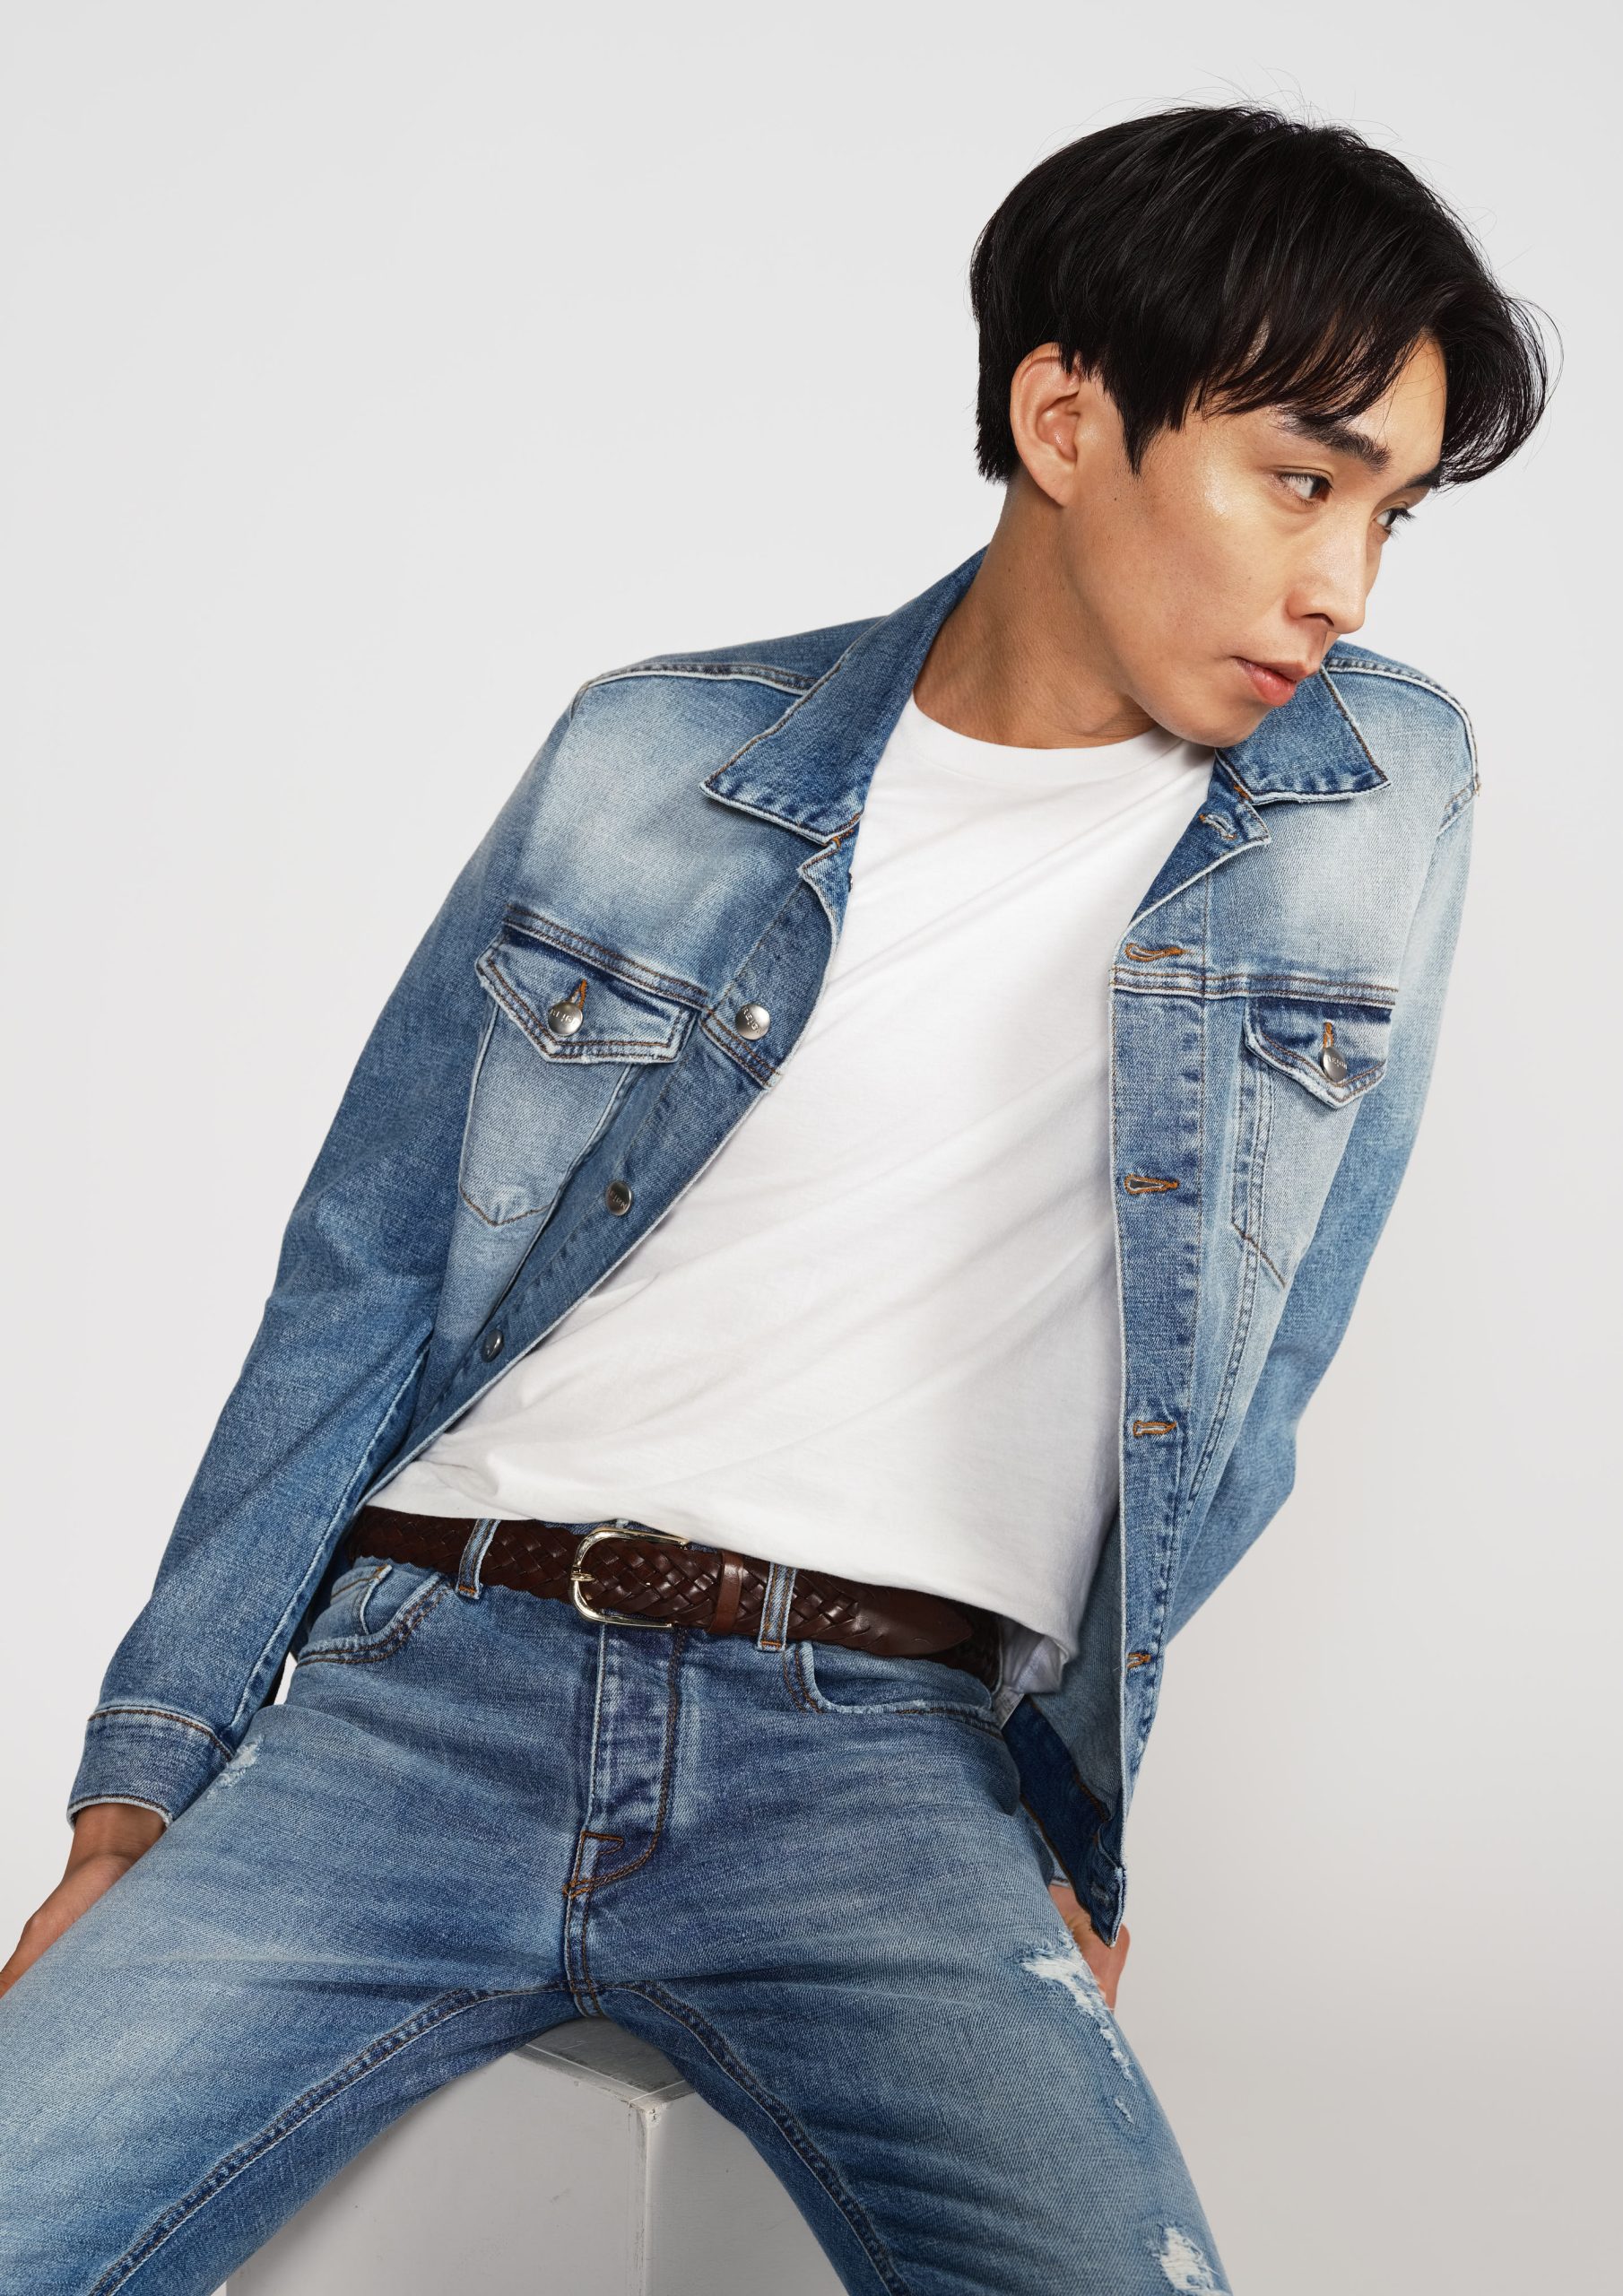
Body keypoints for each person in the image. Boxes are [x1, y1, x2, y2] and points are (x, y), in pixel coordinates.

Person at [0, 100, 1549, 2294]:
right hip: (416, 1696)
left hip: (874, 1769)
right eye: (1299, 479)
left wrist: (1072, 1798)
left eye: (1386, 513)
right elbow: (361, 1271)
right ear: (1064, 419)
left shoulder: (1374, 795)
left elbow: (1260, 1363)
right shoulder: (651, 754)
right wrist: (143, 1784)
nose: (1341, 584)